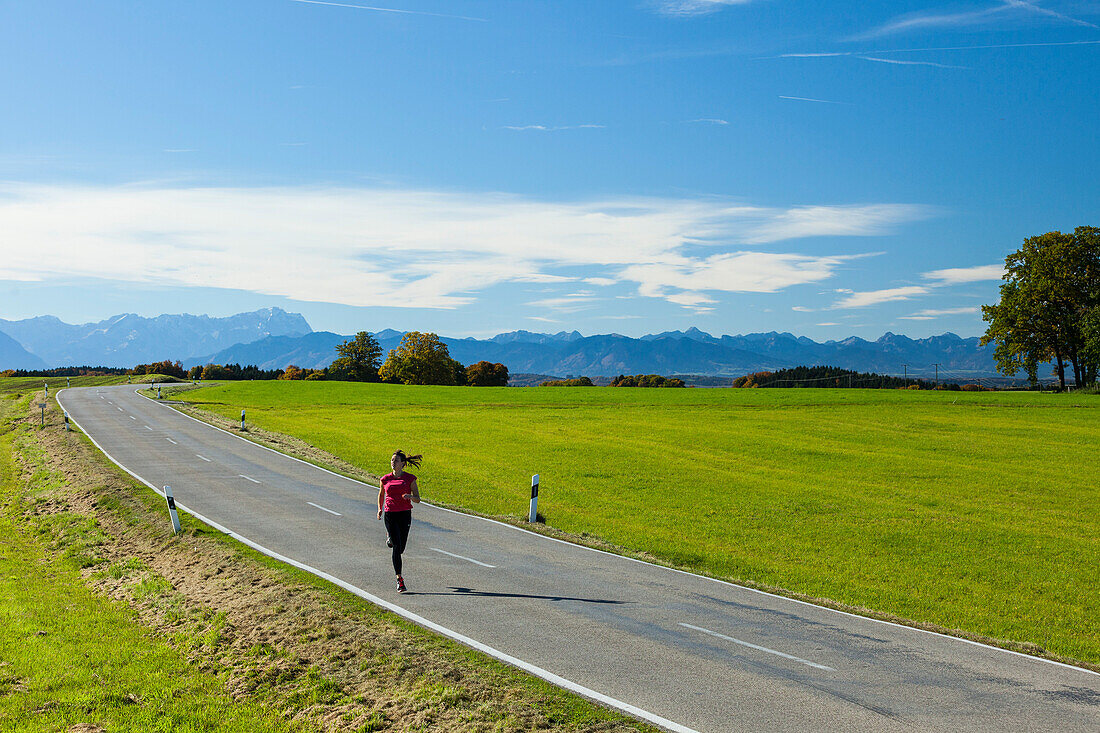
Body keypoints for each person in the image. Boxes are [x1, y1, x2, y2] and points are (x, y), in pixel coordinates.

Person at [377, 450, 421, 593]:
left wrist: (410, 496)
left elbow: (418, 499)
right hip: (390, 514)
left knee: (401, 548)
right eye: (391, 460)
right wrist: (380, 509)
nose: (393, 463)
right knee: (396, 547)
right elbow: (381, 494)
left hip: (404, 514)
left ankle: (391, 536)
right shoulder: (385, 479)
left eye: (396, 460)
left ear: (402, 463)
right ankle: (399, 579)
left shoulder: (410, 479)